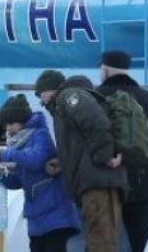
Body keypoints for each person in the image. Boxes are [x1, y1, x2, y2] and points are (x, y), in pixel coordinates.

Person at [47, 74, 128, 252]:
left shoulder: (69, 96)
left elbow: (95, 121)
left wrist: (104, 155)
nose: (41, 100)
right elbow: (81, 142)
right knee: (99, 240)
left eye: (41, 94)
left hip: (97, 184)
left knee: (101, 243)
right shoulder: (80, 101)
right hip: (99, 182)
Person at [0, 94, 82, 252]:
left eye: (11, 123)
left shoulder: (39, 135)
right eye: (5, 125)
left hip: (54, 213)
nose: (8, 128)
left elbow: (35, 161)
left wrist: (7, 154)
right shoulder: (18, 145)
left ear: (22, 120)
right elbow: (17, 181)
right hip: (37, 215)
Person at [95, 50, 148, 252]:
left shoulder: (96, 96)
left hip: (106, 180)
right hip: (141, 181)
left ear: (104, 70)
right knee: (142, 243)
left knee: (102, 243)